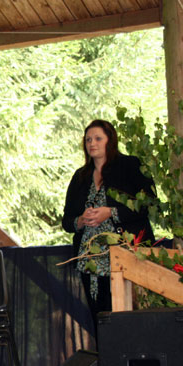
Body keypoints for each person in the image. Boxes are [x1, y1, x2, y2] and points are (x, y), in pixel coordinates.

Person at [62, 119, 155, 326]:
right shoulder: (80, 176)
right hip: (90, 259)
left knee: (129, 318)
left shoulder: (130, 166)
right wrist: (80, 220)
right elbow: (67, 221)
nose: (92, 143)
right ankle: (106, 355)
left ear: (110, 141)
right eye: (88, 140)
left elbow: (147, 205)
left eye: (98, 138)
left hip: (127, 254)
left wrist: (110, 212)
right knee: (101, 318)